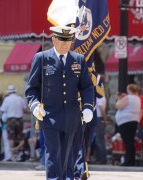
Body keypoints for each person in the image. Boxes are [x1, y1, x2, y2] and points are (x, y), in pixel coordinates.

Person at [25, 25, 94, 180]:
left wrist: (88, 107)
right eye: (62, 41)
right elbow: (31, 89)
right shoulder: (41, 58)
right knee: (53, 155)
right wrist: (35, 105)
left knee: (69, 157)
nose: (65, 45)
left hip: (72, 116)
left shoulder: (79, 60)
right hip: (49, 115)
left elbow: (87, 87)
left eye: (68, 41)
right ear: (53, 39)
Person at [114, 84, 142, 166]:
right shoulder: (138, 98)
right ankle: (131, 160)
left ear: (129, 90)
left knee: (127, 142)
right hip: (134, 121)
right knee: (131, 141)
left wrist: (119, 99)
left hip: (125, 122)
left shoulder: (128, 98)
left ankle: (128, 161)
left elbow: (118, 106)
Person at [0, 85, 28, 161]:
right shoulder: (20, 99)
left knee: (10, 138)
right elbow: (25, 110)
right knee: (20, 137)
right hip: (19, 119)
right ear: (15, 91)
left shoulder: (7, 99)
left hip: (10, 120)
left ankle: (12, 155)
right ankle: (20, 154)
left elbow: (2, 110)